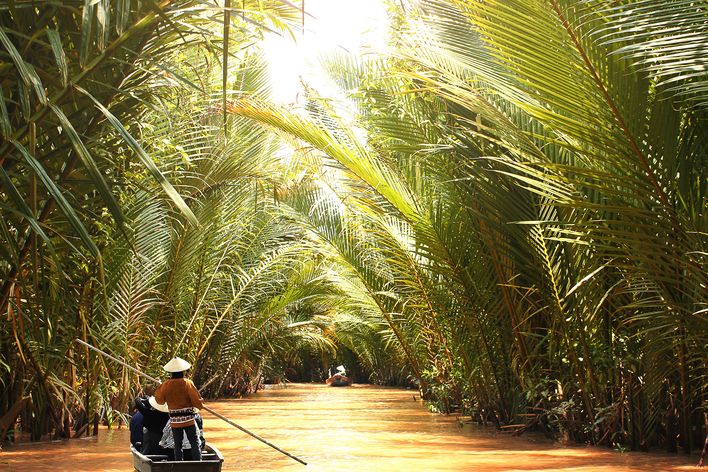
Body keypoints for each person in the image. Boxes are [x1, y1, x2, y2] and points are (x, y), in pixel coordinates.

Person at [154, 357, 205, 461]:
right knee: (194, 443)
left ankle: (178, 464)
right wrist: (200, 404)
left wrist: (162, 388)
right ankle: (198, 464)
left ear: (171, 373)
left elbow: (160, 400)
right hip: (188, 420)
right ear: (183, 371)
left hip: (175, 421)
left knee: (178, 445)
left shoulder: (166, 385)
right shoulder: (187, 383)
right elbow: (197, 401)